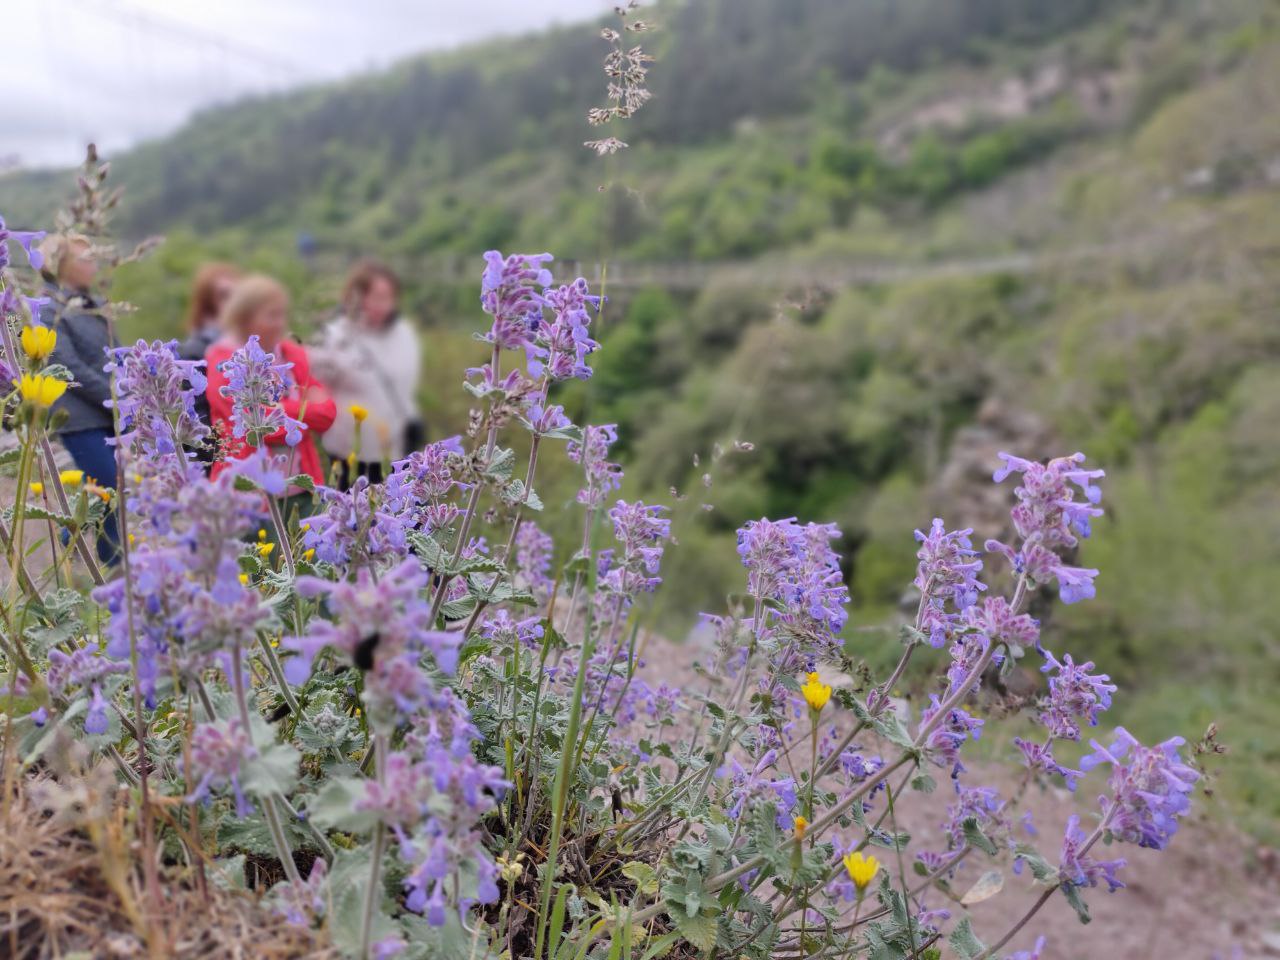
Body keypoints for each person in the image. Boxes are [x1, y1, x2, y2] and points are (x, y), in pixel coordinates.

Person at [204, 275, 335, 505]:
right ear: (244, 318)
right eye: (272, 315)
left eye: (283, 314)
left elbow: (327, 413)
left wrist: (281, 409)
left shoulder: (293, 354)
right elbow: (253, 424)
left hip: (301, 491)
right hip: (247, 496)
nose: (281, 323)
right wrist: (303, 416)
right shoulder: (222, 359)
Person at [37, 232, 120, 564]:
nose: (94, 265)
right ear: (62, 265)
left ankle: (69, 537)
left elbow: (116, 353)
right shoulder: (48, 308)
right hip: (79, 417)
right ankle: (113, 564)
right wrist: (113, 396)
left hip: (108, 411)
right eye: (86, 259)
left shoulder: (95, 303)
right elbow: (65, 363)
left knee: (100, 485)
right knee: (110, 487)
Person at [310, 259, 422, 489]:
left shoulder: (404, 333)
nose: (384, 305)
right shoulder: (337, 334)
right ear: (356, 296)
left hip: (396, 449)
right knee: (354, 519)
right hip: (349, 452)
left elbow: (405, 384)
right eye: (377, 297)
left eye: (389, 297)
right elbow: (315, 383)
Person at [177, 262, 240, 460]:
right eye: (224, 295)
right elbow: (197, 415)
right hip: (219, 453)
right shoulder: (196, 349)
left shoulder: (251, 341)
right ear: (208, 303)